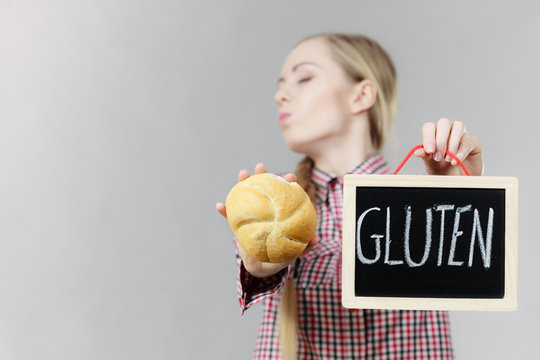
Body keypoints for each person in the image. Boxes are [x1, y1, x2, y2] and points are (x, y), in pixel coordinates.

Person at [216, 33, 483, 360]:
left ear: (362, 96)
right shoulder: (272, 204)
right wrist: (259, 265)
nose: (279, 96)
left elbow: (467, 277)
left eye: (304, 78)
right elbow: (258, 276)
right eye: (281, 83)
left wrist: (459, 200)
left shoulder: (419, 204)